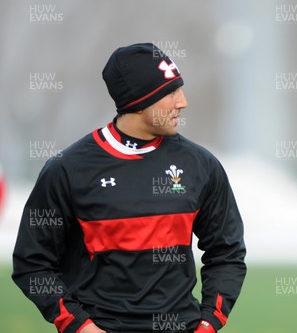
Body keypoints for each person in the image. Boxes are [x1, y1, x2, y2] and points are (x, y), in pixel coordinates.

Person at [13, 43, 247, 333]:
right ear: (138, 100)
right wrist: (79, 326)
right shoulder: (67, 169)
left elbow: (227, 251)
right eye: (170, 92)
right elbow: (32, 263)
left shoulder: (201, 165)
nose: (183, 102)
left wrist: (209, 322)